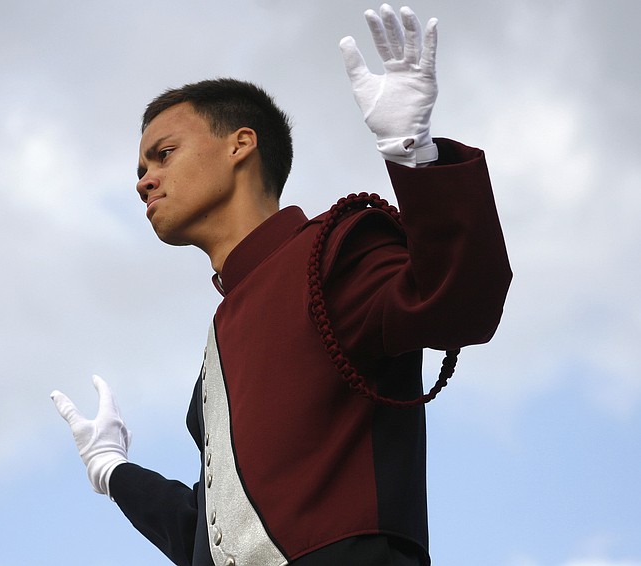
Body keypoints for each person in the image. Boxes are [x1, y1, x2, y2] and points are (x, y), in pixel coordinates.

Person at [51, 4, 512, 565]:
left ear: (240, 144)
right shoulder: (216, 353)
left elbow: (462, 304)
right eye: (140, 171)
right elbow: (212, 539)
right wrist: (112, 471)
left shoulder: (334, 251)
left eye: (162, 155)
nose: (144, 181)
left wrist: (414, 155)